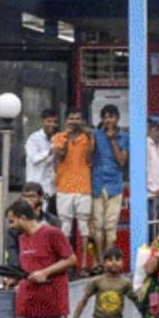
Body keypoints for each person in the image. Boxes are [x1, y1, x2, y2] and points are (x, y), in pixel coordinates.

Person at [7, 200, 76, 318]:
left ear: (23, 218)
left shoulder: (53, 233)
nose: (11, 226)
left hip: (53, 303)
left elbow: (71, 259)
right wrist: (15, 279)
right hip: (27, 304)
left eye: (12, 221)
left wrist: (45, 272)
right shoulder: (21, 239)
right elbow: (27, 267)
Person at [69, 246, 142, 318]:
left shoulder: (125, 283)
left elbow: (136, 301)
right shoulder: (97, 282)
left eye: (117, 260)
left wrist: (147, 317)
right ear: (104, 263)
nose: (113, 263)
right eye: (109, 260)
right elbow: (83, 301)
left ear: (123, 262)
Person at [53, 109, 95, 268]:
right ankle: (66, 264)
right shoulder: (59, 137)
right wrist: (66, 136)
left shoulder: (87, 137)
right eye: (72, 118)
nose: (75, 121)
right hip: (64, 187)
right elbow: (59, 154)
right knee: (65, 228)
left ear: (82, 121)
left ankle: (84, 263)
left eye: (78, 118)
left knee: (84, 229)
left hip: (83, 187)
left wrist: (89, 136)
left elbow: (90, 157)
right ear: (67, 120)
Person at [91, 104, 130, 262]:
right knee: (98, 226)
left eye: (111, 117)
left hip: (115, 185)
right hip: (97, 185)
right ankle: (100, 261)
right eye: (105, 117)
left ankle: (109, 261)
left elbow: (122, 161)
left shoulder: (124, 137)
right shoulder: (95, 135)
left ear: (117, 118)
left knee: (110, 226)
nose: (108, 120)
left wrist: (113, 140)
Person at [4, 182, 62, 269]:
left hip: (50, 271)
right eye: (25, 197)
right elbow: (13, 256)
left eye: (32, 196)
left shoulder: (53, 222)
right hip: (23, 271)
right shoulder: (15, 226)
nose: (28, 200)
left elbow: (61, 253)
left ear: (41, 198)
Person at [24, 108, 60, 216]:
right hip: (35, 187)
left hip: (51, 188)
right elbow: (34, 159)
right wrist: (50, 151)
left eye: (55, 122)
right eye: (49, 121)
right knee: (34, 217)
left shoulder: (57, 139)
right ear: (42, 121)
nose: (52, 124)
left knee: (49, 220)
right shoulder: (33, 139)